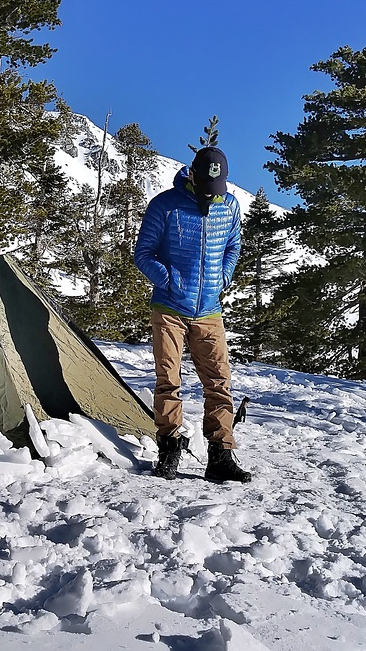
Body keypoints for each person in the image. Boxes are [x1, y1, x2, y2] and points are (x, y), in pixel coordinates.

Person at [133, 146, 251, 483]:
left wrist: (223, 277)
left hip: (210, 310)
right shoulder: (165, 205)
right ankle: (168, 449)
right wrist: (168, 280)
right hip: (169, 308)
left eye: (217, 188)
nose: (210, 194)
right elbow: (143, 253)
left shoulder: (228, 206)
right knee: (168, 381)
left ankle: (221, 456)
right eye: (205, 187)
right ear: (193, 174)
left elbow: (233, 246)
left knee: (219, 383)